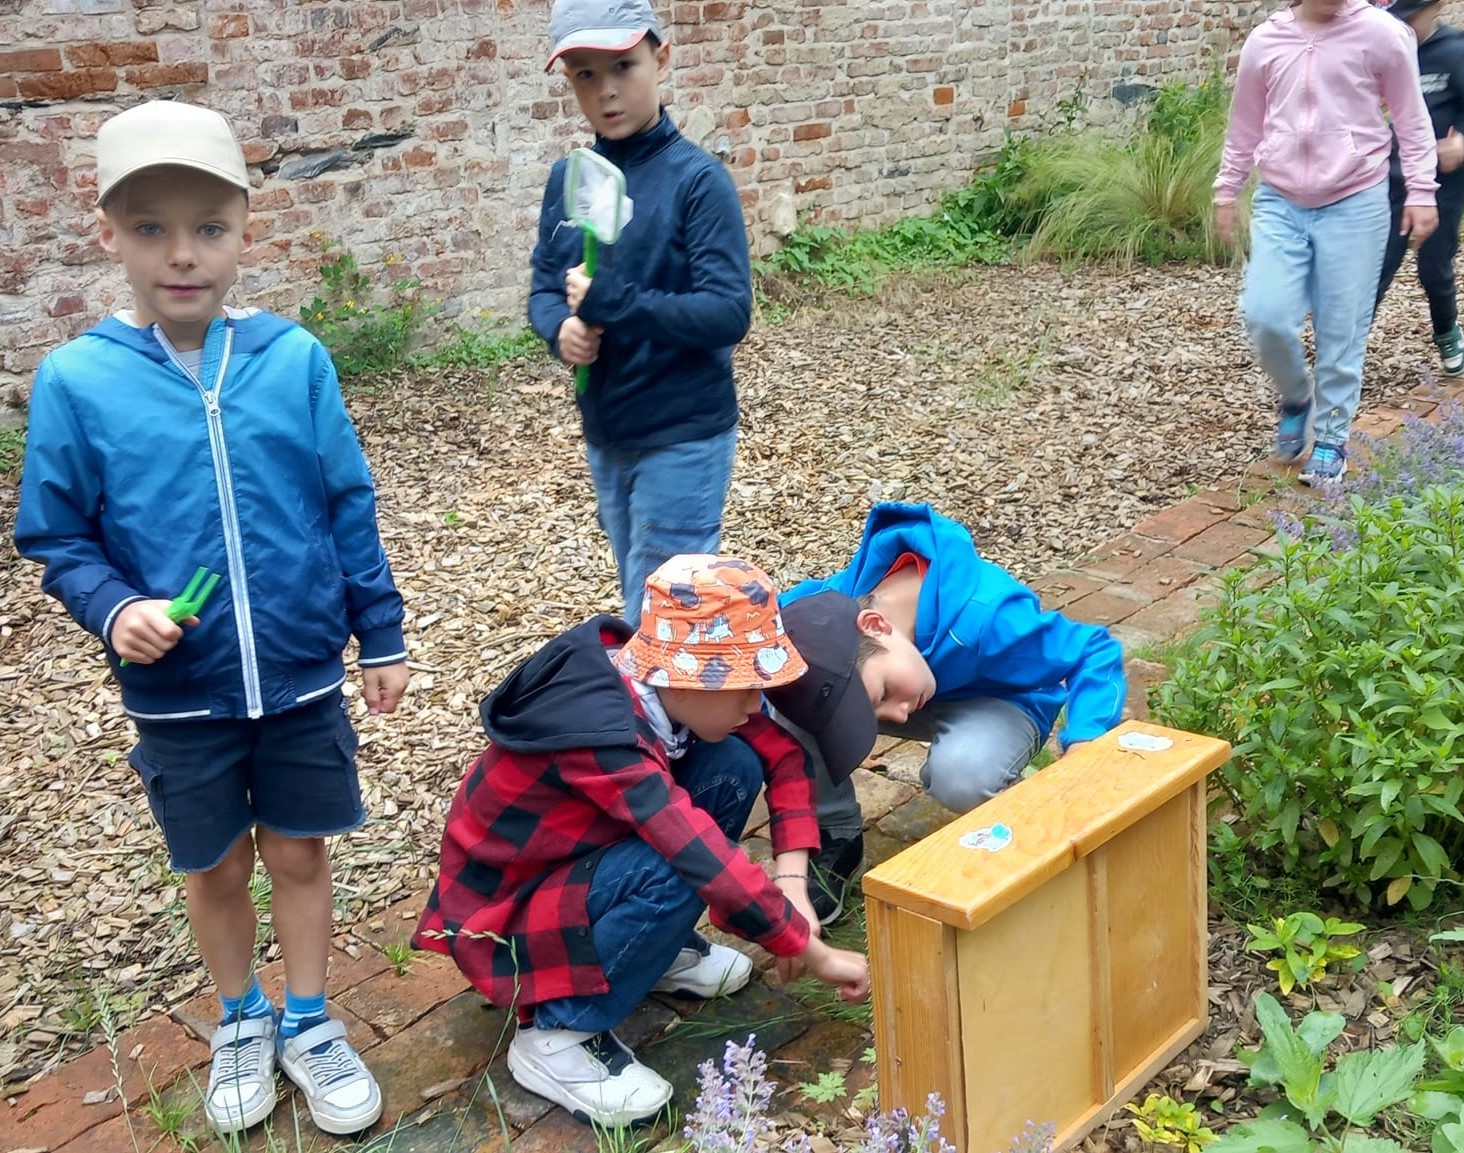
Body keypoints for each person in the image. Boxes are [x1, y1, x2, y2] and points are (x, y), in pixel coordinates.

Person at [13, 100, 409, 1138]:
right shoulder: (77, 382)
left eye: (208, 226)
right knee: (216, 863)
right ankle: (242, 1015)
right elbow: (56, 536)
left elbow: (346, 501)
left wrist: (384, 631)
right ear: (108, 235)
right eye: (150, 228)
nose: (181, 254)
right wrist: (117, 609)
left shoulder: (293, 359)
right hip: (179, 694)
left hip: (302, 675)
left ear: (246, 230)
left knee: (300, 853)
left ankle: (311, 1019)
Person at [413, 557, 872, 1128]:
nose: (757, 705)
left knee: (732, 761)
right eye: (747, 689)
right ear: (690, 676)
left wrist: (794, 886)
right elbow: (696, 852)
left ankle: (648, 949)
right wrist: (808, 948)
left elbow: (782, 757)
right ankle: (560, 1031)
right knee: (678, 866)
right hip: (507, 915)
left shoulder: (667, 685)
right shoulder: (605, 738)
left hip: (576, 864)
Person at [766, 502, 1127, 924]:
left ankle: (1025, 837)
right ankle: (836, 833)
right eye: (877, 703)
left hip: (997, 699)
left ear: (876, 625)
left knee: (962, 774)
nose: (895, 716)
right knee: (795, 698)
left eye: (884, 691)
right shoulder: (830, 606)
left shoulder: (989, 615)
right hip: (922, 680)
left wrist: (1086, 738)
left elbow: (1093, 649)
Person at [527, 0, 753, 623]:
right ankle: (672, 712)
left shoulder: (697, 182)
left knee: (663, 608)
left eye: (623, 66)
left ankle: (663, 718)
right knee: (642, 587)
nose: (607, 91)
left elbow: (727, 312)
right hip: (607, 431)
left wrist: (617, 305)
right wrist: (562, 329)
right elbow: (545, 287)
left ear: (661, 57)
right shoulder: (569, 181)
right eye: (585, 75)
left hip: (683, 431)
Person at [1212, 0, 1440, 486]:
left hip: (1355, 201)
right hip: (1281, 199)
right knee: (1265, 314)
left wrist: (1421, 190)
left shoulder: (1384, 35)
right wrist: (1227, 190)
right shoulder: (1266, 41)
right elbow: (1245, 124)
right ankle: (1297, 395)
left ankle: (1332, 435)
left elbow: (1411, 120)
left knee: (1342, 328)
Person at [1374, 0, 1464, 376]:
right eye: (1396, 20)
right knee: (1373, 270)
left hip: (1441, 184)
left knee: (1433, 269)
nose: (1403, 27)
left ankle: (1447, 331)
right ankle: (1345, 351)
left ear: (1438, 6)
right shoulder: (1380, 50)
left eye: (1411, 19)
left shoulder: (1455, 51)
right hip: (1389, 182)